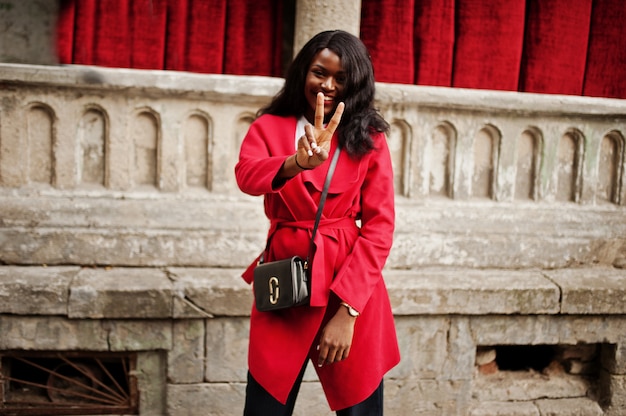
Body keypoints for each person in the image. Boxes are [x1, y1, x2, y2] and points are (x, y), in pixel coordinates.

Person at [235, 29, 399, 415]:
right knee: (264, 406)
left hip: (348, 285)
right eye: (318, 72)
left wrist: (348, 312)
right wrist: (296, 163)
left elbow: (379, 228)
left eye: (340, 78)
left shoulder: (369, 138)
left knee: (359, 408)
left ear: (355, 83)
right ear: (302, 73)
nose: (327, 85)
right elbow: (247, 176)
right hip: (284, 284)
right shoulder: (269, 127)